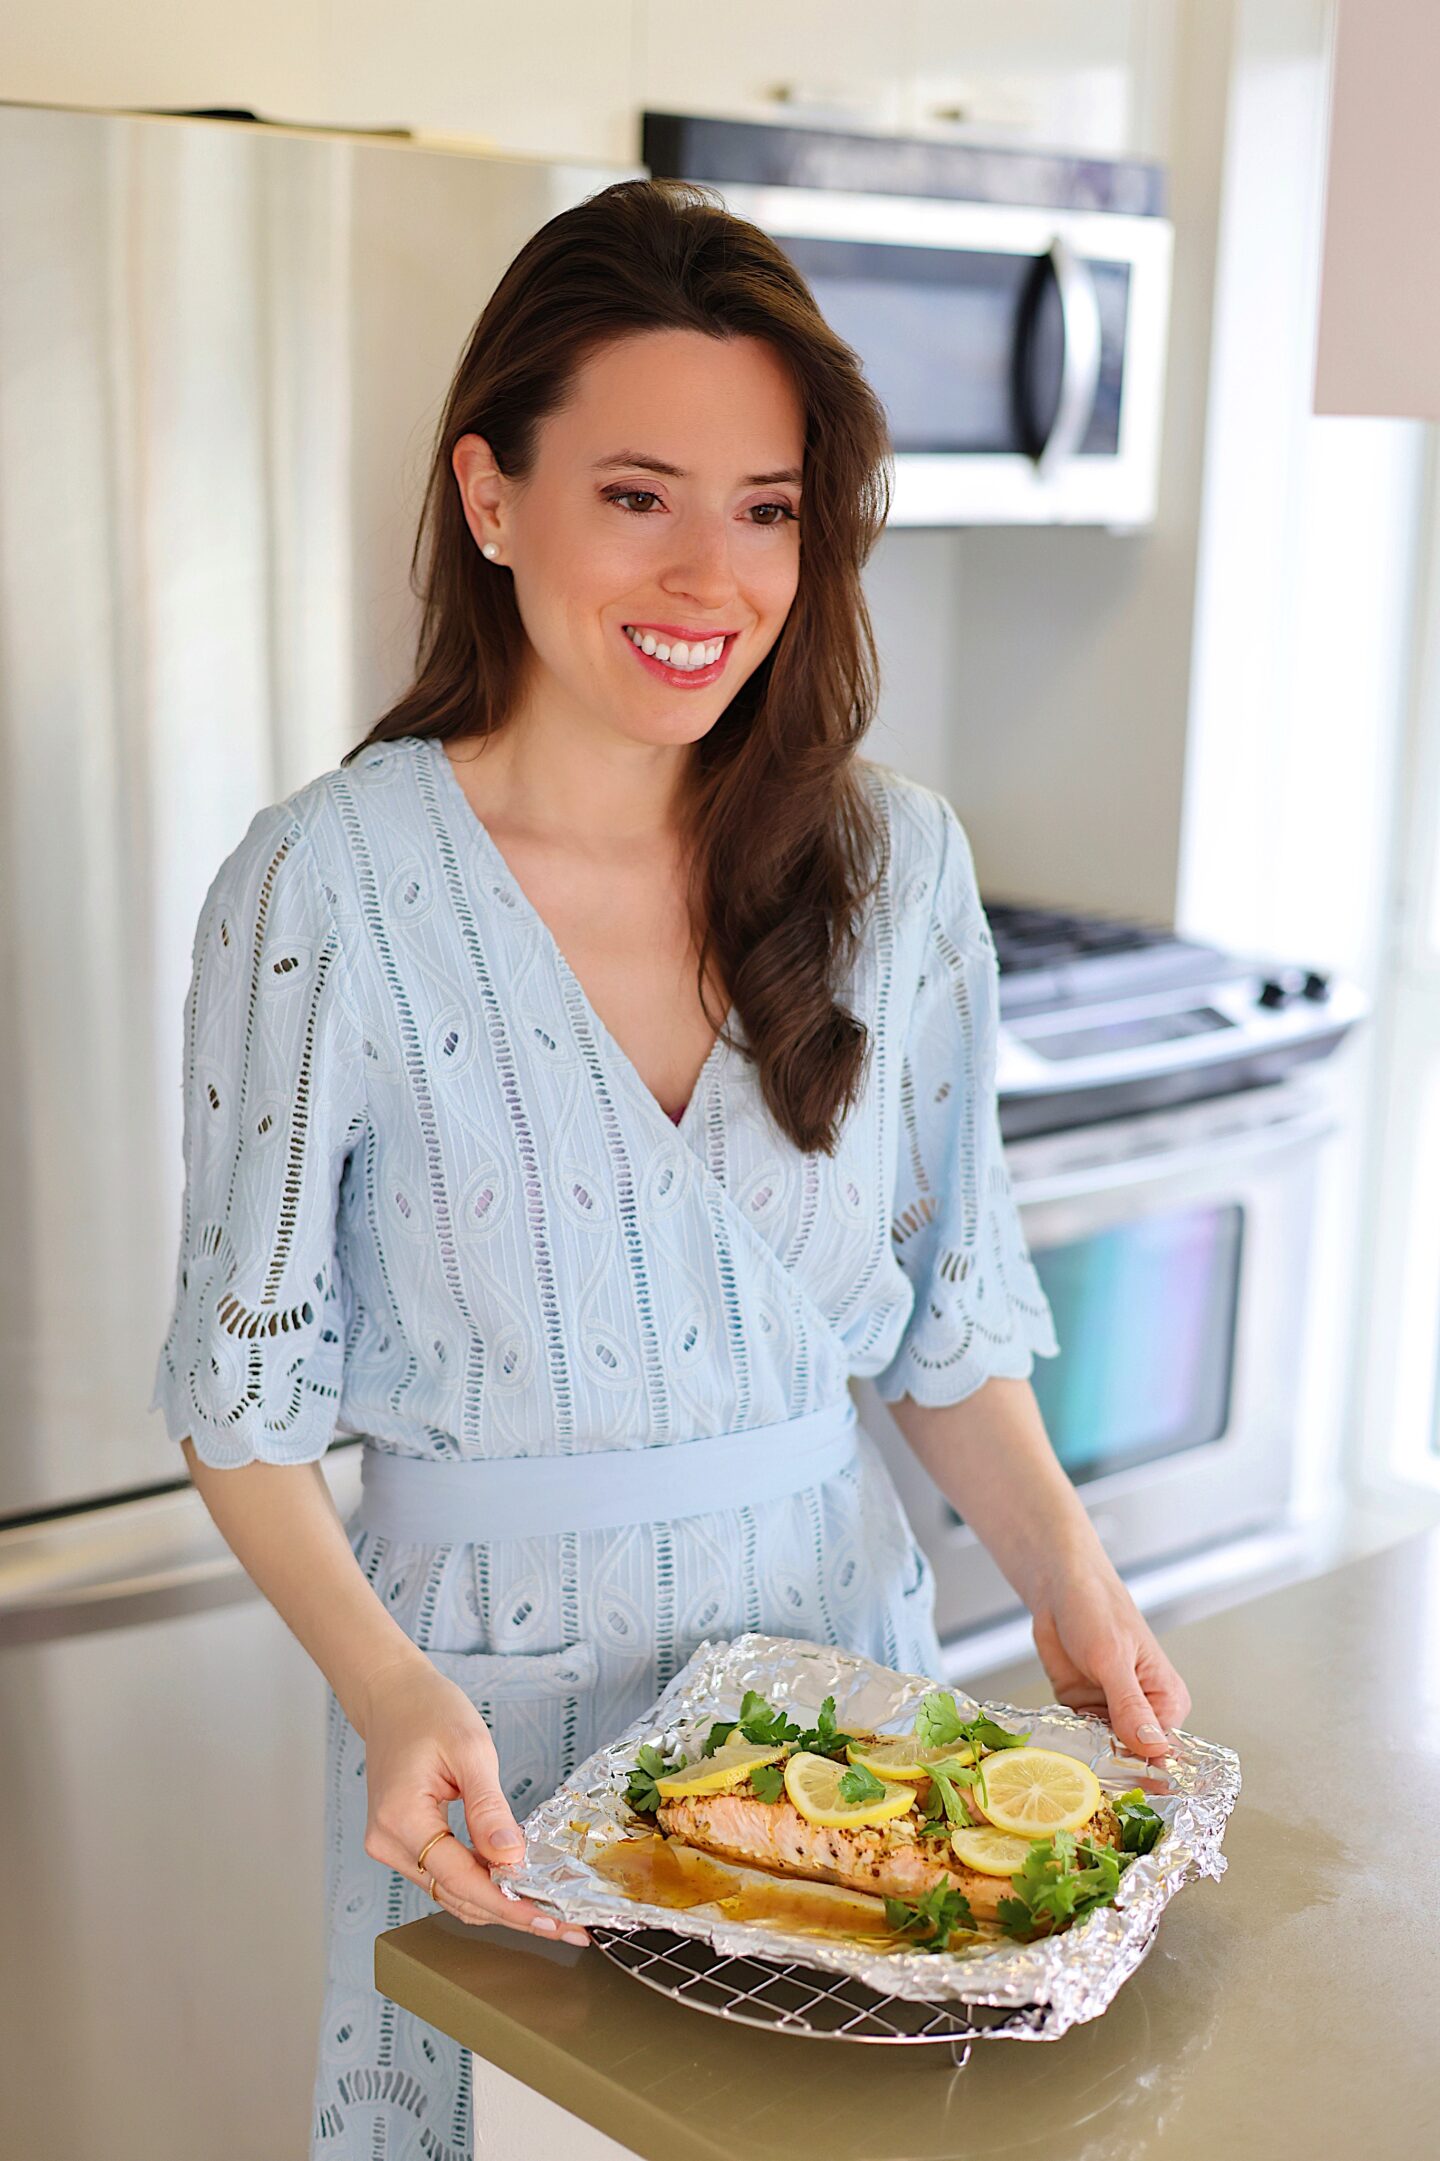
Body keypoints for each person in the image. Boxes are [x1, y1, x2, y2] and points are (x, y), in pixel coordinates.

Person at [150, 177, 1191, 2161]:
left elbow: (944, 1323)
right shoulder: (328, 892)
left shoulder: (897, 872)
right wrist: (385, 1687)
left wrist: (1065, 1568)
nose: (710, 570)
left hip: (846, 1701)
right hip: (495, 1729)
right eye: (636, 493)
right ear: (490, 496)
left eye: (770, 505)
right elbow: (242, 1401)